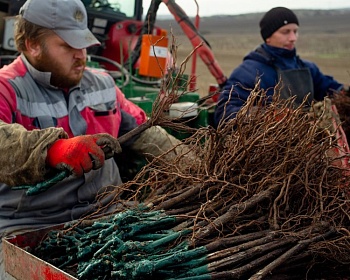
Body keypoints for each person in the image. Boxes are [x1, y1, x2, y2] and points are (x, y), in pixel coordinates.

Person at [0, 0, 187, 277]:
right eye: (67, 46)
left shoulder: (103, 85)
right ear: (31, 45)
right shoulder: (7, 87)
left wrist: (199, 167)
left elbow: (148, 133)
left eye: (83, 44)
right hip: (28, 226)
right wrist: (53, 150)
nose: (81, 55)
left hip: (108, 215)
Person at [214, 7, 348, 127]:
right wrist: (267, 115)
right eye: (286, 32)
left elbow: (331, 90)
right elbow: (224, 113)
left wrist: (345, 93)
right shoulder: (248, 72)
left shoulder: (307, 68)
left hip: (309, 144)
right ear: (268, 37)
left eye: (295, 31)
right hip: (271, 149)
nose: (293, 38)